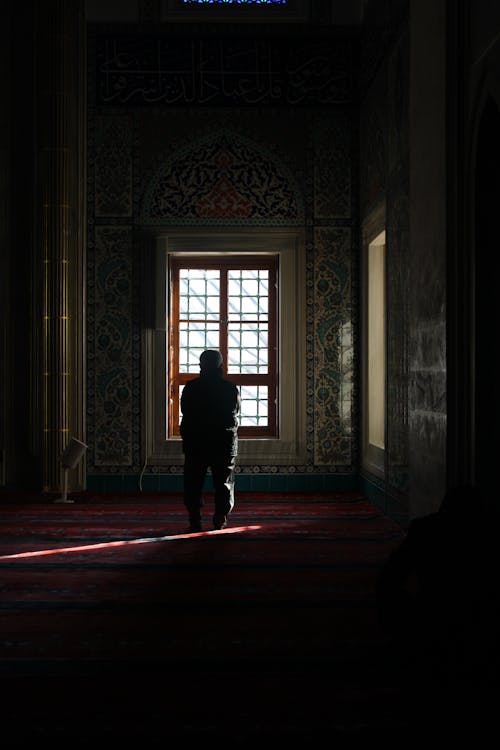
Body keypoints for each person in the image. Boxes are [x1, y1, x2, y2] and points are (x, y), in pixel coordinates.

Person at [180, 349, 240, 532]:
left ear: (201, 366)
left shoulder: (191, 387)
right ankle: (220, 518)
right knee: (224, 481)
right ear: (221, 366)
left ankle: (194, 519)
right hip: (223, 441)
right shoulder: (229, 388)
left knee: (193, 480)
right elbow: (234, 413)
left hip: (196, 440)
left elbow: (186, 412)